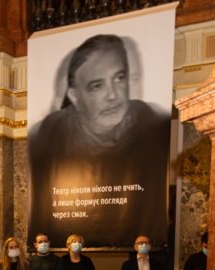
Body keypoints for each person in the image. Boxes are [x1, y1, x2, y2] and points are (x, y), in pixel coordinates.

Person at [29, 34, 168, 244]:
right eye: (97, 86)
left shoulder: (153, 125)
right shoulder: (47, 136)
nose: (113, 95)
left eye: (119, 78)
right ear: (74, 97)